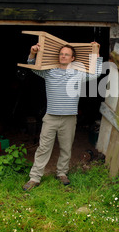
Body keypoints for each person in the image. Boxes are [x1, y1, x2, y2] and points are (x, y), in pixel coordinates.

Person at [22, 41, 102, 190]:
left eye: (66, 54)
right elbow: (33, 67)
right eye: (61, 54)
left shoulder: (78, 74)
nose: (63, 56)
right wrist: (33, 52)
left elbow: (96, 73)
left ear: (72, 58)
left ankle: (62, 173)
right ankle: (34, 178)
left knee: (66, 148)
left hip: (69, 118)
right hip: (51, 117)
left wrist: (96, 52)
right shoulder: (49, 71)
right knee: (44, 148)